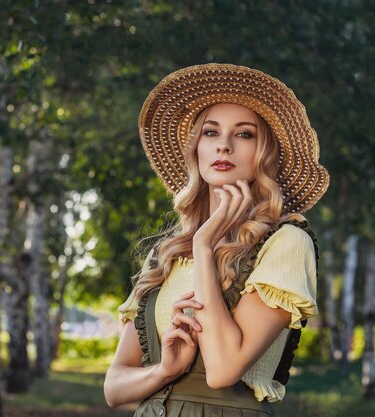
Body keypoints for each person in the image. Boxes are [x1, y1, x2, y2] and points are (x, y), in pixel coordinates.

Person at [104, 63, 330, 417]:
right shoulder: (166, 254)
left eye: (244, 134)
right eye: (211, 132)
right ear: (197, 149)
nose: (223, 145)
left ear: (264, 153)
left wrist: (204, 248)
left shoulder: (286, 242)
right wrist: (164, 370)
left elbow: (223, 370)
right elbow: (114, 388)